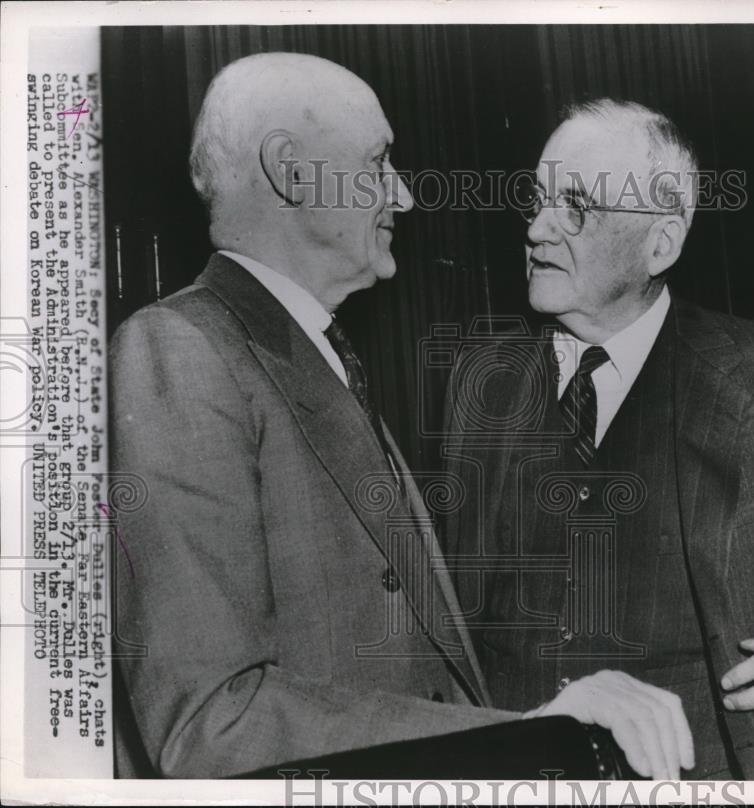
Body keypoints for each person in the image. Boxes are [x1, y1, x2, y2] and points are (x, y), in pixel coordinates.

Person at [110, 55, 694, 780]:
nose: (407, 194)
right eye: (380, 161)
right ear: (292, 171)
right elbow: (210, 722)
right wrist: (524, 734)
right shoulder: (180, 348)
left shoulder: (311, 353)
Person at [442, 98, 754, 780]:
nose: (536, 228)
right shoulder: (481, 390)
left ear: (662, 242)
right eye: (535, 201)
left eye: (573, 206)